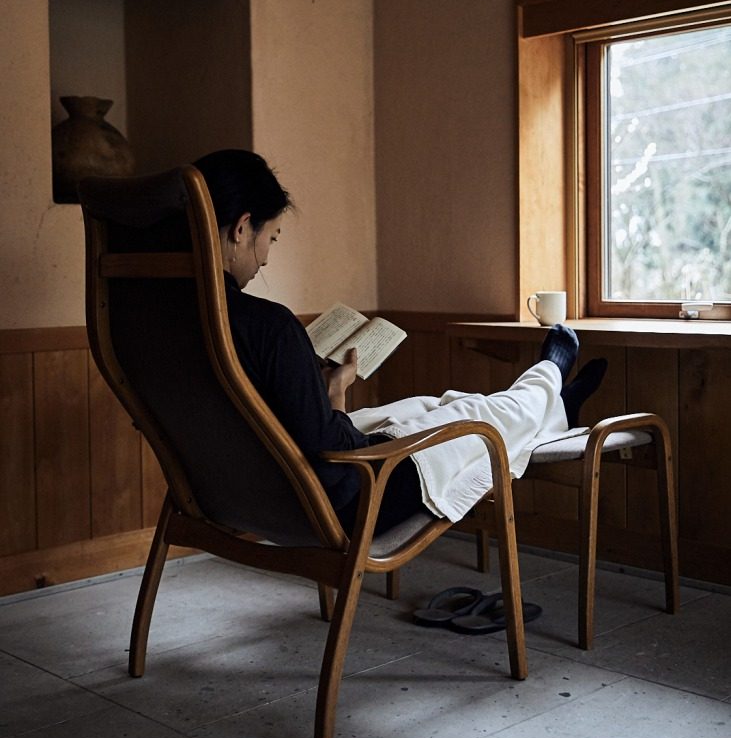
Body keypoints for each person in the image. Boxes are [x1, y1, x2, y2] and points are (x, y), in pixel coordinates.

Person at [193, 149, 606, 537]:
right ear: (242, 228)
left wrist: (327, 390)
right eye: (273, 238)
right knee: (477, 414)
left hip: (250, 493)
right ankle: (549, 383)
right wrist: (334, 391)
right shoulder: (270, 328)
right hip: (350, 497)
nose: (265, 257)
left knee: (433, 403)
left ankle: (552, 409)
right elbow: (334, 450)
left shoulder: (168, 323)